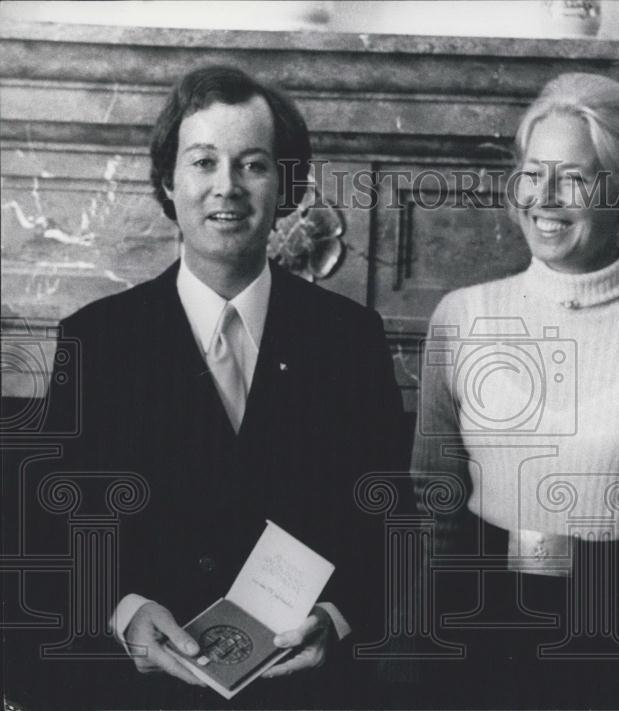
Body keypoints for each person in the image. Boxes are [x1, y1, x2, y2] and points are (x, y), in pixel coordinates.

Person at [29, 65, 406, 708]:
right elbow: (52, 526)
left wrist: (340, 619)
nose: (225, 188)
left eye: (253, 165)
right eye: (203, 162)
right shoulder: (96, 341)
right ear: (168, 184)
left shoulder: (351, 340)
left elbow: (389, 522)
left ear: (286, 187)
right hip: (144, 692)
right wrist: (122, 610)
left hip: (308, 691)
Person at [411, 73, 619, 709]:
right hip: (482, 635)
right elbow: (432, 511)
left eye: (574, 178)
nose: (546, 197)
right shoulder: (461, 317)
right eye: (533, 174)